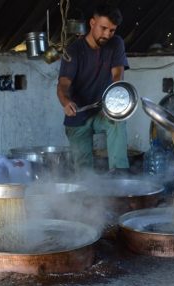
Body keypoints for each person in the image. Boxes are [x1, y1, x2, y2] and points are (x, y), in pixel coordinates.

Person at [56, 4, 130, 174]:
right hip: (78, 115)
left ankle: (120, 177)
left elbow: (117, 76)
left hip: (102, 111)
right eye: (103, 28)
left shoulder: (116, 43)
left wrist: (113, 105)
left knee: (117, 120)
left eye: (112, 30)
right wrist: (66, 102)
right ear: (92, 23)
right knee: (84, 171)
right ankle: (88, 196)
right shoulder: (74, 50)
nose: (107, 34)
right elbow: (63, 84)